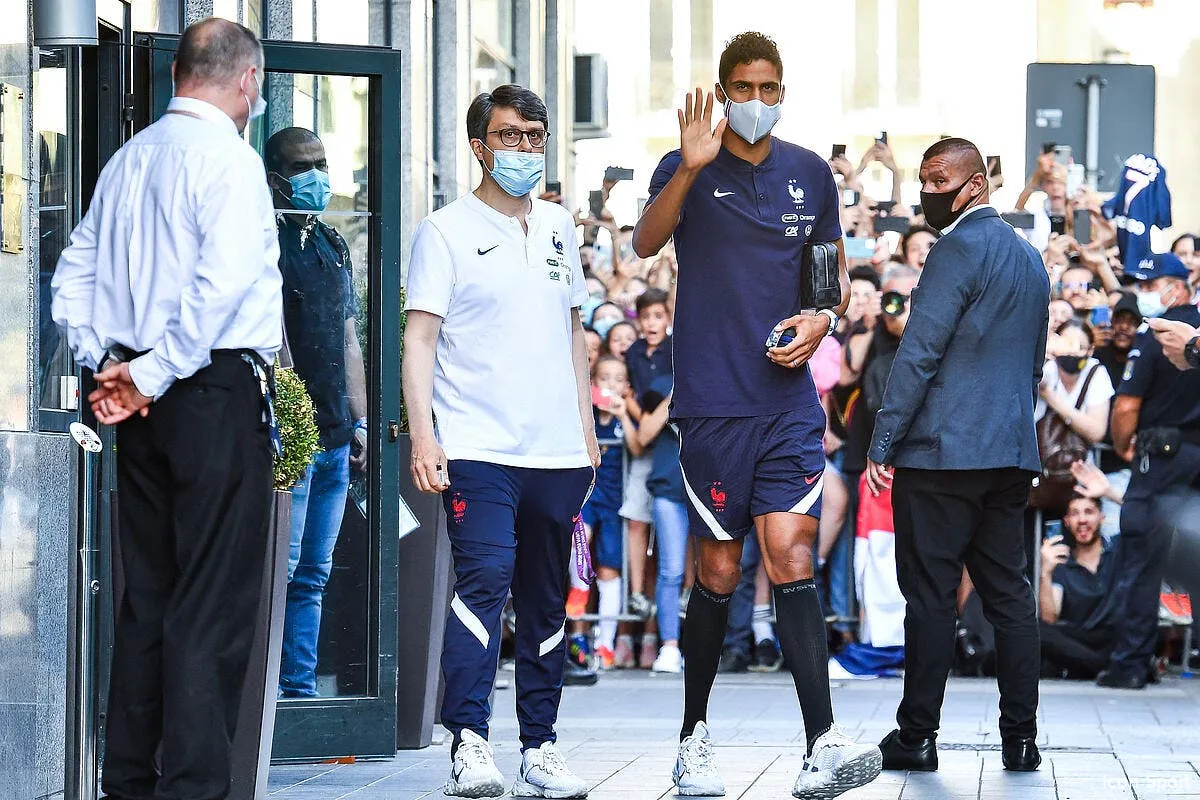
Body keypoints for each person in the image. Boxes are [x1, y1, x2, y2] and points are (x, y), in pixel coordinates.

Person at [632, 31, 880, 799]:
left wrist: (823, 320)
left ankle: (822, 743)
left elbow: (829, 279)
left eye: (769, 87)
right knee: (717, 568)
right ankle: (693, 737)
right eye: (743, 87)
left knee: (792, 554)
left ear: (782, 93)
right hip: (712, 405)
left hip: (787, 405)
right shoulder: (685, 165)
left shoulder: (810, 172)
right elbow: (645, 241)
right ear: (723, 91)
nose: (757, 100)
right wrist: (690, 167)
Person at [50, 18, 280, 799]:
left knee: (147, 596)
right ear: (247, 79)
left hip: (145, 401)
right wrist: (146, 375)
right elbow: (219, 288)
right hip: (207, 390)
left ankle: (128, 785)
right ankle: (190, 790)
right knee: (210, 601)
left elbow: (72, 277)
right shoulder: (231, 161)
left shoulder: (129, 158)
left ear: (179, 72)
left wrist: (108, 364)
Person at [402, 84, 597, 799]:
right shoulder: (445, 230)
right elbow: (419, 339)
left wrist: (586, 430)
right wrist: (424, 436)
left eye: (535, 137)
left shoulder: (558, 226)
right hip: (477, 446)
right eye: (510, 136)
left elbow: (572, 332)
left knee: (546, 601)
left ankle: (541, 747)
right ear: (479, 146)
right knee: (483, 583)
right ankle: (470, 743)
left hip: (556, 452)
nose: (524, 149)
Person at [865, 137, 1049, 774]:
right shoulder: (1029, 257)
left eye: (939, 181)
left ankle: (917, 736)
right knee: (1010, 596)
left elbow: (919, 352)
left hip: (941, 454)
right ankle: (1021, 740)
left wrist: (884, 440)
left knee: (931, 598)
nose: (927, 192)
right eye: (923, 180)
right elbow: (1032, 365)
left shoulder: (954, 249)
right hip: (1007, 452)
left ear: (976, 184)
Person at [263, 127, 369, 698]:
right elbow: (272, 342)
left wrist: (360, 420)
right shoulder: (267, 244)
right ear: (276, 179)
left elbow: (349, 341)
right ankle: (268, 693)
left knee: (314, 574)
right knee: (283, 570)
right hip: (292, 436)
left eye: (322, 164)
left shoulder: (332, 243)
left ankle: (300, 690)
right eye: (303, 167)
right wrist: (288, 421)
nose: (317, 177)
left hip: (334, 436)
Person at [1102, 251, 1200, 689]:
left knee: (1141, 560)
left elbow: (1126, 405)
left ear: (1176, 288)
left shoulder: (1158, 334)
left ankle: (1130, 664)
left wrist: (1122, 443)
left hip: (1161, 457)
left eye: (1149, 285)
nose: (1142, 293)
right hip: (1192, 455)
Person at [1039, 494, 1117, 679]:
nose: (1082, 520)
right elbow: (1049, 618)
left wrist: (1109, 492)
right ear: (1067, 521)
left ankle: (1087, 666)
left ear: (1101, 517)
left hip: (1114, 636)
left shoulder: (1118, 552)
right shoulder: (1062, 564)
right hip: (1077, 639)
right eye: (1075, 513)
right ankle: (1105, 666)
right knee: (1034, 628)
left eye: (1089, 512)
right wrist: (1045, 572)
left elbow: (1150, 525)